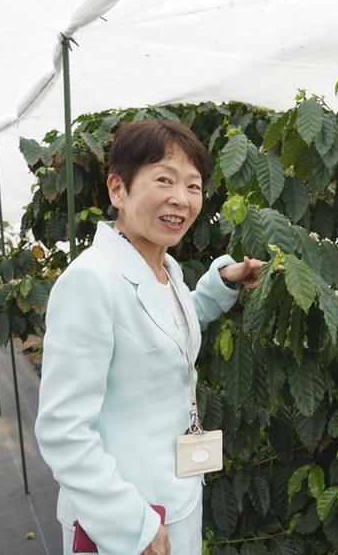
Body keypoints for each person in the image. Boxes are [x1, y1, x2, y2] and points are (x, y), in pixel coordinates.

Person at [35, 119, 263, 555]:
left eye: (193, 186)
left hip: (175, 499)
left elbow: (169, 326)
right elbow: (63, 429)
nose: (181, 198)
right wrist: (132, 525)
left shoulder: (166, 269)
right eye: (164, 179)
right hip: (129, 519)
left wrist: (224, 281)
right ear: (117, 189)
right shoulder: (91, 281)